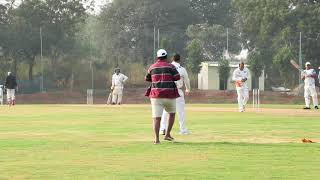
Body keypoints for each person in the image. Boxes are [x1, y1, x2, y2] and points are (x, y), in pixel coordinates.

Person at [145, 49, 180, 144]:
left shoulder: (152, 67)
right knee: (172, 114)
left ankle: (156, 139)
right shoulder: (171, 66)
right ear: (166, 56)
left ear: (157, 57)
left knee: (157, 118)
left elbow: (147, 78)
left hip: (156, 96)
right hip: (169, 95)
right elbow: (177, 77)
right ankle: (168, 134)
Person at [160, 54, 191, 135]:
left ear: (172, 59)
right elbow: (187, 80)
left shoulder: (167, 67)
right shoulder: (182, 69)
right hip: (178, 91)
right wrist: (188, 89)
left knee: (165, 111)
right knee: (181, 112)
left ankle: (162, 128)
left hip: (167, 90)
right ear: (179, 60)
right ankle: (183, 130)